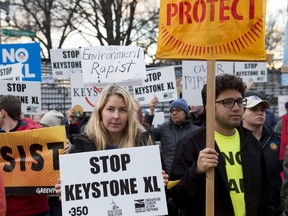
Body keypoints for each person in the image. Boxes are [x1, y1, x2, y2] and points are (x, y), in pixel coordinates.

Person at [169, 74, 274, 216]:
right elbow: (178, 198)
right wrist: (196, 171)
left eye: (239, 101)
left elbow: (265, 197)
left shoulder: (251, 142)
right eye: (228, 102)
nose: (237, 108)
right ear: (209, 107)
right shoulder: (191, 144)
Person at [55, 85, 168, 194]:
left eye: (123, 110)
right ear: (100, 113)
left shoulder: (145, 143)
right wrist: (65, 190)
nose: (116, 116)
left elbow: (161, 198)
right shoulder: (81, 147)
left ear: (129, 114)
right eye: (110, 109)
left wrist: (161, 185)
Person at [147, 97, 199, 216]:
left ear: (186, 112)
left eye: (178, 110)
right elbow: (145, 135)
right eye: (172, 110)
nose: (174, 113)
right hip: (168, 182)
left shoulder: (197, 131)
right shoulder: (164, 128)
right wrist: (150, 112)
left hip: (189, 180)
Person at [0, 95, 49, 216]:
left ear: (2, 112)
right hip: (8, 209)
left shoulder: (37, 134)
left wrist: (63, 150)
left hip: (34, 209)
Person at [242, 95, 283, 215]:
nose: (260, 113)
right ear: (242, 113)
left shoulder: (277, 139)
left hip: (274, 208)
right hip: (244, 208)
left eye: (262, 110)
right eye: (254, 109)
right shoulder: (235, 140)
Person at [40, 109, 66, 216]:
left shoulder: (66, 147)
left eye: (44, 126)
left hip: (58, 198)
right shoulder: (39, 145)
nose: (40, 129)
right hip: (44, 196)